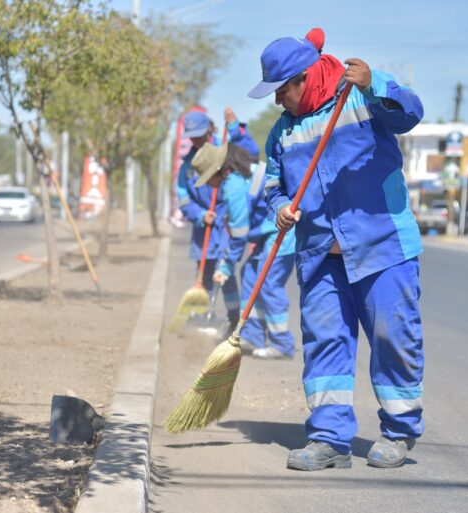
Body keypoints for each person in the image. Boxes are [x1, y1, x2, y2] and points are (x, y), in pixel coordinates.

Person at [248, 28, 425, 470]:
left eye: (280, 91)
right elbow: (272, 186)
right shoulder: (282, 134)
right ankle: (329, 439)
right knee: (325, 343)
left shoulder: (359, 98)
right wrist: (280, 208)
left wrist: (375, 84)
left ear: (304, 77)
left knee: (393, 339)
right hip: (321, 255)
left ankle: (399, 432)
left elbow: (410, 113)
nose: (276, 101)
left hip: (383, 248)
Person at [191, 139, 297, 360]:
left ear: (217, 171)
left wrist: (226, 265)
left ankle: (282, 343)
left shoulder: (233, 184)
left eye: (208, 179)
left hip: (282, 233)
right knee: (249, 275)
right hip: (269, 232)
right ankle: (253, 336)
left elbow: (239, 234)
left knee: (268, 283)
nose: (209, 185)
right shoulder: (241, 174)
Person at [176, 110, 240, 334]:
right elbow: (183, 198)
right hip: (204, 227)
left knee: (226, 272)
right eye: (191, 136)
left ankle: (234, 318)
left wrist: (228, 213)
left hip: (225, 225)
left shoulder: (222, 152)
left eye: (198, 134)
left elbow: (235, 187)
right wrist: (200, 214)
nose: (195, 139)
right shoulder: (187, 166)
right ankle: (202, 315)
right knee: (203, 274)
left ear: (209, 130)